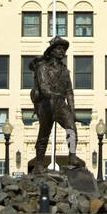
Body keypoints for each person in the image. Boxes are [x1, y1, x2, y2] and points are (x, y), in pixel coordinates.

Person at [28, 37, 85, 171]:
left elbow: (69, 91)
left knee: (71, 128)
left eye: (63, 49)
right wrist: (50, 94)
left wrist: (72, 110)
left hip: (60, 103)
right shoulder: (43, 67)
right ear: (52, 51)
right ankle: (39, 163)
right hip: (46, 104)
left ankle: (72, 156)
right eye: (59, 49)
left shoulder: (65, 71)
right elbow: (43, 86)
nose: (62, 51)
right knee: (44, 134)